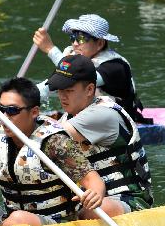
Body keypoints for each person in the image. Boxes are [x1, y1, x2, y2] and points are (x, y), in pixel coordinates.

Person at [0, 77, 104, 226]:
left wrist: (95, 194)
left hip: (56, 225)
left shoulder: (55, 143)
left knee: (18, 218)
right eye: (1, 109)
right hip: (13, 221)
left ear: (34, 112)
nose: (5, 116)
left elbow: (93, 180)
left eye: (13, 110)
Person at [46, 55, 153, 217]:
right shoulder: (68, 116)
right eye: (60, 90)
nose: (62, 96)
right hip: (88, 200)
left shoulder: (103, 114)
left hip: (130, 201)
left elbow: (46, 138)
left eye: (68, 90)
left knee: (92, 211)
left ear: (89, 90)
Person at [32, 13, 151, 123]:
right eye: (73, 37)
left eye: (82, 38)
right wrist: (25, 98)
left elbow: (78, 75)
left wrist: (50, 49)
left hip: (117, 123)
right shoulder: (72, 59)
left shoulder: (115, 67)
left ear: (100, 43)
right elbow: (49, 85)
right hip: (89, 118)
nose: (75, 43)